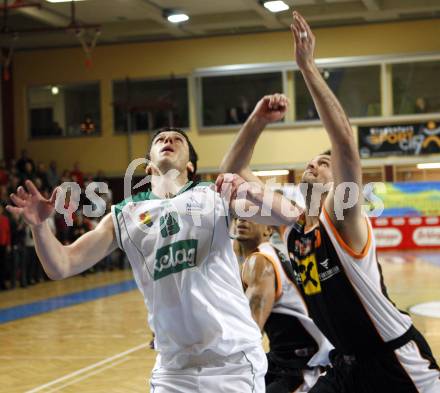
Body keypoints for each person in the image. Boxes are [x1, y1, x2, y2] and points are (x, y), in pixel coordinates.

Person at [217, 11, 440, 393]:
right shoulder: (292, 223)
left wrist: (307, 68)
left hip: (394, 362)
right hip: (344, 365)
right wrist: (256, 120)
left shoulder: (343, 215)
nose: (313, 164)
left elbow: (345, 145)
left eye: (324, 163)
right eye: (310, 161)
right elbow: (232, 172)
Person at [7, 127, 267, 392]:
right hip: (173, 370)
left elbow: (281, 214)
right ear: (148, 165)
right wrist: (39, 228)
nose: (168, 140)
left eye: (178, 139)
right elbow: (62, 265)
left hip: (232, 362)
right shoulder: (125, 215)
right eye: (160, 139)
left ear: (190, 165)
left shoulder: (214, 196)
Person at [234, 217, 331, 392]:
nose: (242, 219)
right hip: (282, 358)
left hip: (303, 365)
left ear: (268, 230)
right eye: (238, 215)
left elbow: (248, 333)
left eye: (250, 216)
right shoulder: (266, 253)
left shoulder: (260, 262)